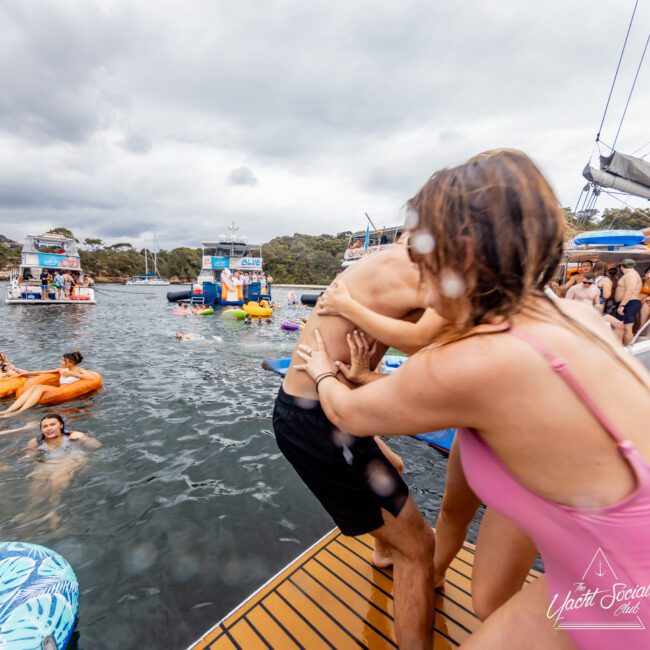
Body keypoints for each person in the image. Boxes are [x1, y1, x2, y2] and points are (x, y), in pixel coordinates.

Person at [294, 149, 650, 650]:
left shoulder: (478, 363)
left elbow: (346, 413)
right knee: (487, 602)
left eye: (420, 259)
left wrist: (323, 371)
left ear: (459, 255)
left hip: (630, 595)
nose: (416, 279)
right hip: (606, 563)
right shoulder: (573, 316)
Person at [274, 243, 440, 649]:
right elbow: (441, 349)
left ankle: (385, 553)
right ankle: (401, 558)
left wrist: (366, 373)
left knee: (394, 466)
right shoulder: (427, 275)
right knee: (421, 547)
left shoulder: (393, 262)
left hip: (322, 410)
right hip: (322, 421)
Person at [0, 352, 100, 418]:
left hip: (64, 391)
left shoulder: (80, 370)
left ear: (69, 363)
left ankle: (20, 411)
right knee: (35, 387)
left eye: (62, 360)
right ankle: (9, 410)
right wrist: (25, 374)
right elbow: (42, 372)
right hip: (59, 389)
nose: (60, 362)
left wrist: (73, 374)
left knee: (39, 388)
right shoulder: (61, 370)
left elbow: (92, 378)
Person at [25, 414, 101, 451]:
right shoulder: (36, 442)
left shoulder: (72, 436)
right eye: (45, 426)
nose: (48, 428)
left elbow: (97, 446)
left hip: (71, 458)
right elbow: (28, 459)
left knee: (59, 476)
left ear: (61, 425)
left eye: (52, 425)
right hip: (48, 461)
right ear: (41, 429)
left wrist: (84, 438)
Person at [614, 259, 643, 345]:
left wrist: (622, 305)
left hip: (629, 303)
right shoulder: (630, 274)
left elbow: (630, 291)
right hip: (628, 303)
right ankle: (624, 348)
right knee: (622, 327)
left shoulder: (631, 275)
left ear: (621, 266)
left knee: (627, 328)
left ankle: (628, 350)